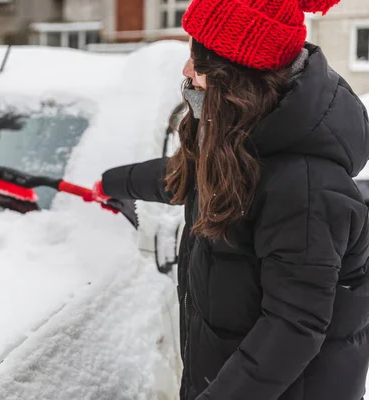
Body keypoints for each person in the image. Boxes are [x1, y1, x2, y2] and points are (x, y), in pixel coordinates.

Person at [92, 0, 369, 399]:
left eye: (198, 61)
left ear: (235, 77)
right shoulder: (249, 140)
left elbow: (291, 330)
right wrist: (112, 182)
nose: (187, 72)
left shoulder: (304, 187)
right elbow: (188, 176)